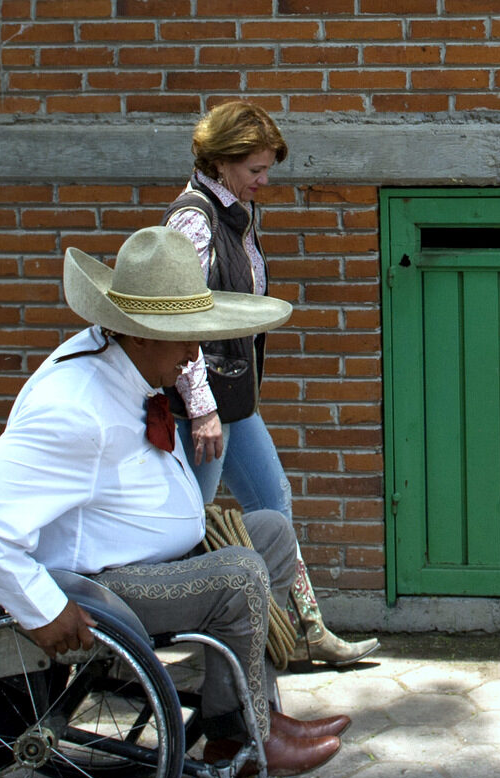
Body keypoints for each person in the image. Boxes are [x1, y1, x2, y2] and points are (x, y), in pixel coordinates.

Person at [0, 226, 349, 776]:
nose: (193, 353)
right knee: (240, 575)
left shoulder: (122, 366)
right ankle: (243, 733)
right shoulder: (74, 407)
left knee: (271, 534)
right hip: (98, 585)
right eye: (182, 338)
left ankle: (249, 715)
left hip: (144, 560)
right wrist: (41, 607)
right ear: (138, 335)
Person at [162, 100, 377, 668]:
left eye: (267, 168)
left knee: (273, 503)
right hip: (200, 406)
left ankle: (301, 631)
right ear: (221, 161)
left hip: (235, 400)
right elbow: (179, 322)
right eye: (255, 169)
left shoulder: (236, 212)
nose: (264, 180)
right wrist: (201, 408)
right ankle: (186, 652)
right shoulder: (194, 219)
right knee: (190, 524)